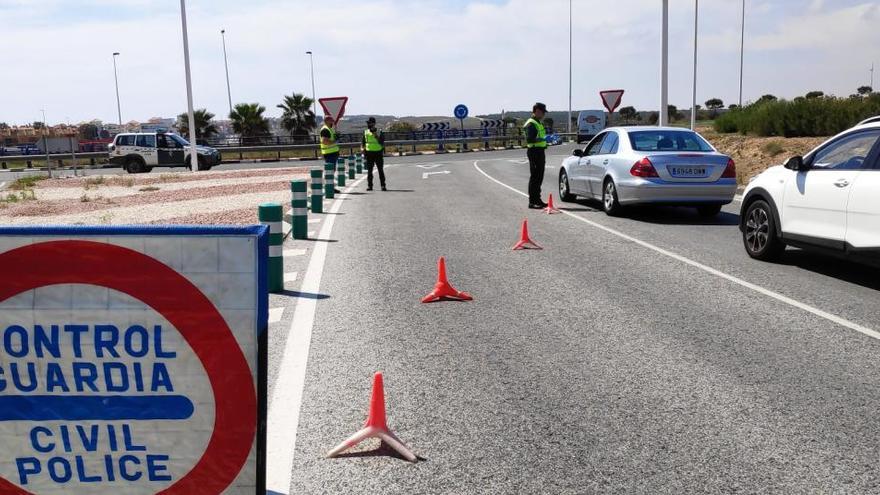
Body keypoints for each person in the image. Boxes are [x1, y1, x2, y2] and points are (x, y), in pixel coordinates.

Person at [524, 102, 549, 209]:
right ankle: (532, 201)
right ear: (537, 111)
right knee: (535, 177)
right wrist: (543, 139)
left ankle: (537, 200)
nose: (544, 115)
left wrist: (546, 140)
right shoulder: (531, 123)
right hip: (534, 151)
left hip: (539, 151)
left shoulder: (538, 122)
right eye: (543, 112)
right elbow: (530, 139)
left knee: (539, 176)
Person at [362, 117, 386, 191]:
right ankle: (370, 186)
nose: (368, 124)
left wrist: (375, 134)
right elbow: (363, 142)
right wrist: (362, 149)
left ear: (374, 123)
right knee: (369, 171)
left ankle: (383, 185)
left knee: (380, 170)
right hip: (369, 153)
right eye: (368, 123)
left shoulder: (379, 131)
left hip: (378, 152)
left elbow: (381, 142)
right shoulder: (365, 132)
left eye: (370, 123)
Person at [320, 116, 341, 193]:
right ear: (327, 121)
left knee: (332, 171)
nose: (333, 121)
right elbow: (324, 141)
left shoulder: (329, 129)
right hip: (329, 154)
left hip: (332, 153)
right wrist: (335, 141)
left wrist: (335, 138)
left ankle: (330, 187)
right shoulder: (325, 129)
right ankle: (329, 187)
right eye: (331, 120)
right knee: (330, 171)